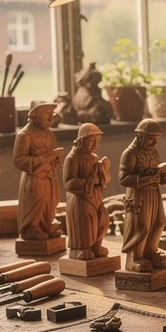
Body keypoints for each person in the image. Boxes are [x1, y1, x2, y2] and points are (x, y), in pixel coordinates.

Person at [119, 117, 166, 272]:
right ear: (140, 136)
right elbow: (123, 178)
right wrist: (144, 179)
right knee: (140, 226)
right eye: (151, 139)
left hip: (154, 193)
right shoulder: (130, 154)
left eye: (156, 139)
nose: (154, 143)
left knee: (159, 222)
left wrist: (163, 178)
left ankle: (150, 252)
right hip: (138, 195)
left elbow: (155, 173)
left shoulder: (153, 152)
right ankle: (134, 259)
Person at [13, 103, 64, 242]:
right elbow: (18, 160)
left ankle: (46, 224)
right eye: (46, 113)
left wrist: (57, 160)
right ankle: (32, 228)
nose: (50, 117)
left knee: (50, 201)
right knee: (35, 202)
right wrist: (39, 160)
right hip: (35, 177)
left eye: (51, 114)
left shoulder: (49, 134)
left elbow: (53, 153)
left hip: (49, 175)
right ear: (34, 115)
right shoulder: (25, 135)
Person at [63, 122, 110, 260]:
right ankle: (80, 249)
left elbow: (103, 182)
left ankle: (96, 245)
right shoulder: (72, 159)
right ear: (81, 141)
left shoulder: (94, 158)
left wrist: (103, 172)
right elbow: (68, 183)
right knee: (86, 221)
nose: (95, 145)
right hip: (81, 199)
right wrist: (86, 182)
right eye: (91, 141)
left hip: (96, 197)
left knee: (103, 218)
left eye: (97, 141)